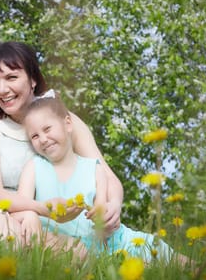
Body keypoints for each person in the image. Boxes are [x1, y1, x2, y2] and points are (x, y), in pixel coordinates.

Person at [0, 41, 124, 254]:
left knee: (80, 255)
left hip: (39, 221)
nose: (2, 89)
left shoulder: (63, 120)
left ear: (33, 79)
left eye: (11, 77)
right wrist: (35, 209)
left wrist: (114, 204)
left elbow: (107, 175)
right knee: (7, 239)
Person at [19, 96, 182, 263]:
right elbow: (20, 206)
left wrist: (104, 219)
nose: (43, 139)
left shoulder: (94, 168)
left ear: (67, 124)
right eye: (35, 136)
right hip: (72, 246)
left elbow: (101, 214)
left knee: (162, 253)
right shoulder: (33, 167)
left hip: (110, 240)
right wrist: (30, 214)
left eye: (47, 129)